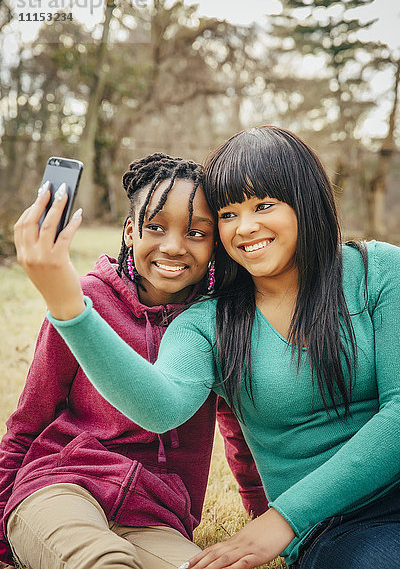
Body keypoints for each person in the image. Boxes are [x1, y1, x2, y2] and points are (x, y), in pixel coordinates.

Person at [13, 126, 400, 569]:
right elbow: (161, 406)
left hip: (276, 517)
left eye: (264, 205)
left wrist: (277, 517)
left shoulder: (379, 270)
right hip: (343, 529)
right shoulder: (210, 322)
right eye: (229, 214)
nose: (246, 227)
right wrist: (68, 306)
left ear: (306, 201)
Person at [1, 152, 267, 569]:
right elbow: (28, 421)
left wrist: (263, 515)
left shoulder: (216, 325)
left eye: (196, 233)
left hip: (155, 515)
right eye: (155, 227)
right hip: (59, 487)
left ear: (215, 243)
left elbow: (239, 429)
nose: (173, 246)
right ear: (130, 232)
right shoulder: (83, 302)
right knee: (103, 561)